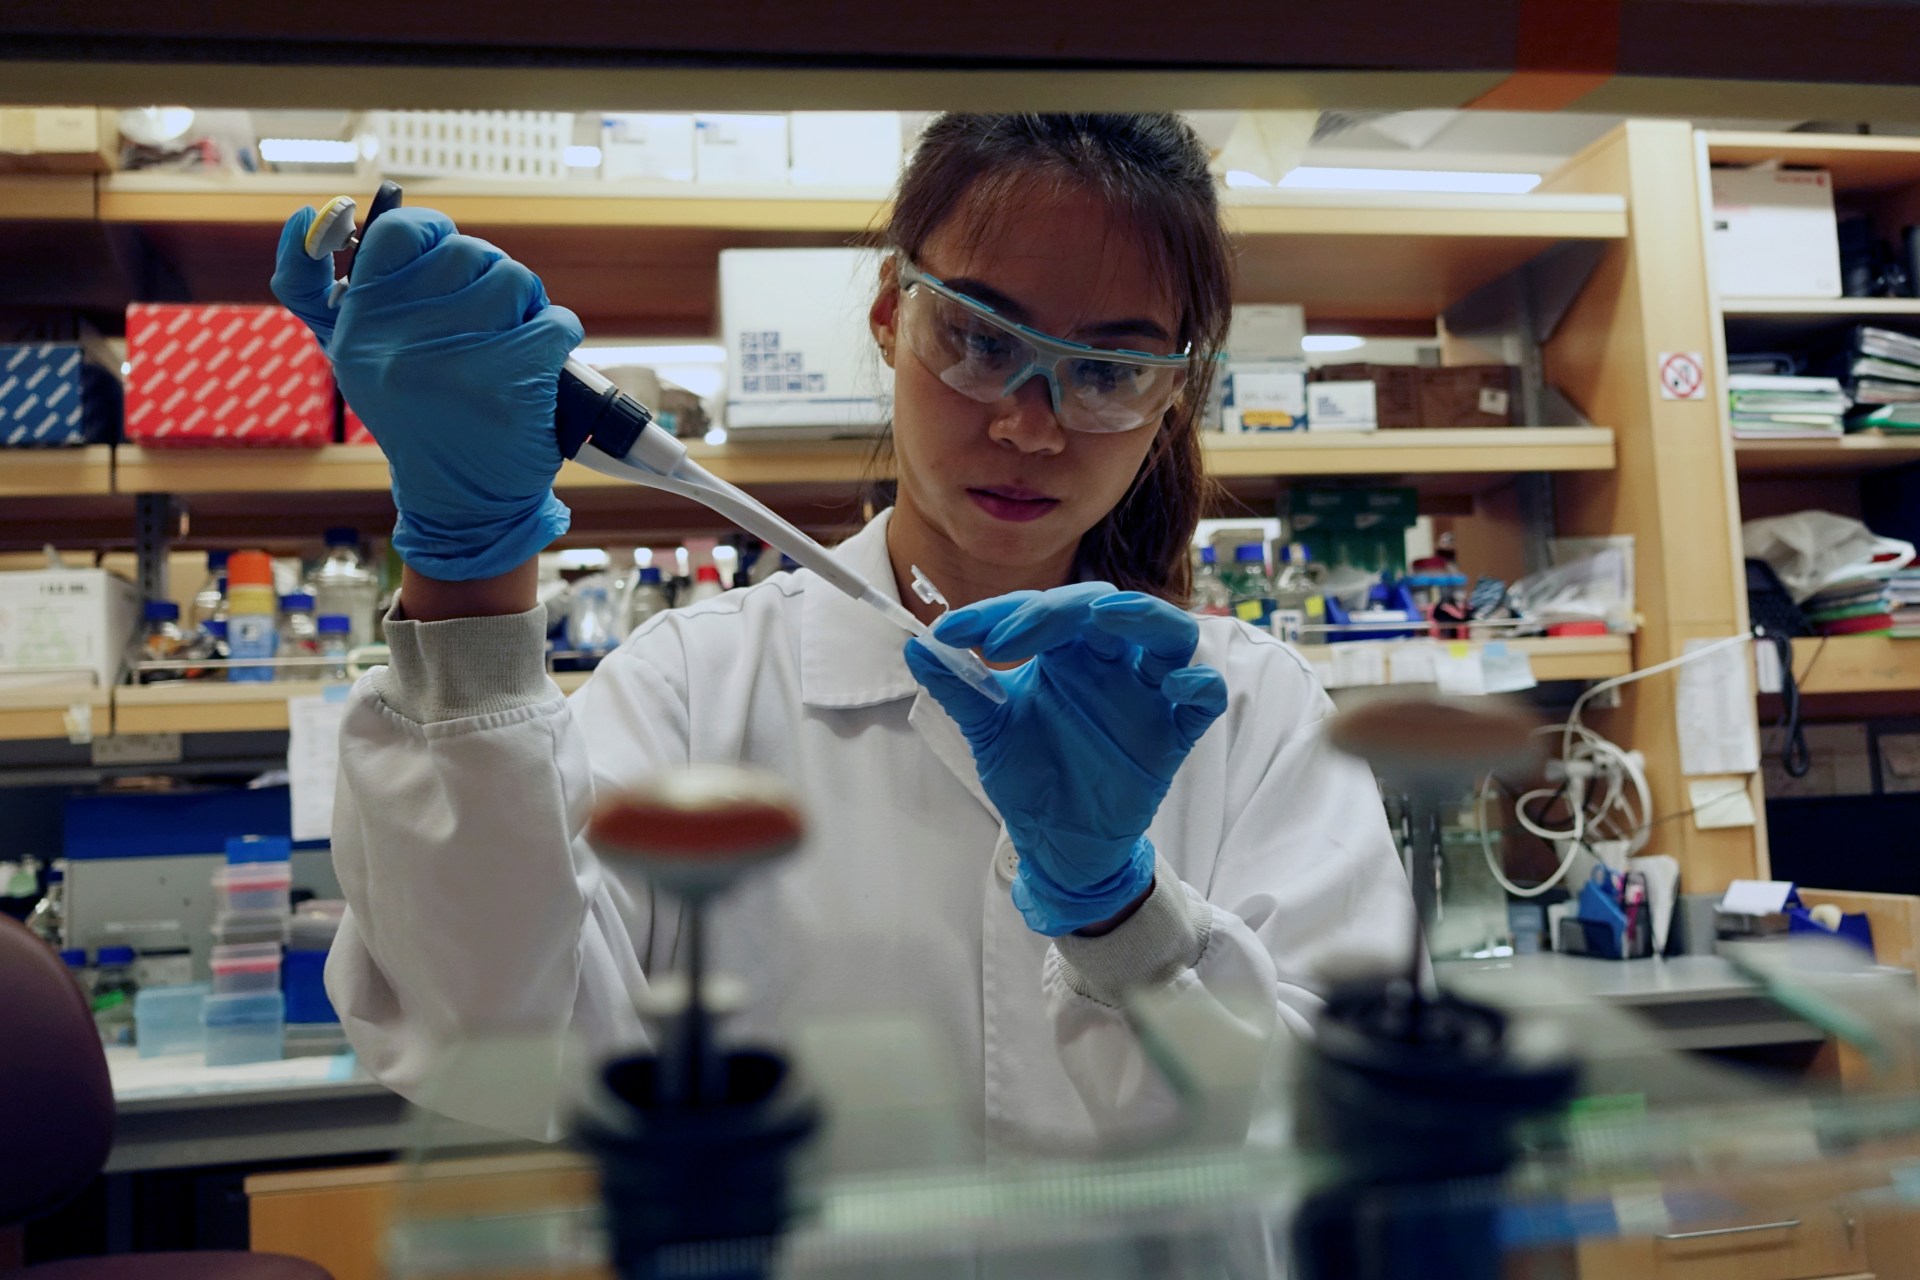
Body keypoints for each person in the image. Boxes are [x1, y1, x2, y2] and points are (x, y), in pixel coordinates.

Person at [270, 112, 1416, 1149]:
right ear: (889, 314)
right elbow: (495, 1048)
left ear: (1176, 391)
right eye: (980, 338)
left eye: (1109, 370)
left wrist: (1121, 911)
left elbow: (1338, 1125)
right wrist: (470, 575)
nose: (1028, 424)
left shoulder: (1253, 712)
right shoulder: (693, 686)